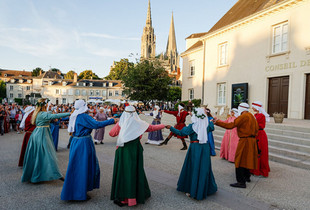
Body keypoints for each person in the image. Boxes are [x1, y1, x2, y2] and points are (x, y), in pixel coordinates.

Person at [109, 105, 165, 207]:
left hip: (123, 150)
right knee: (136, 170)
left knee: (123, 171)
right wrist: (164, 125)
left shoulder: (121, 123)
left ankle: (123, 198)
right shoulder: (140, 123)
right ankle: (136, 195)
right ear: (135, 113)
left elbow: (111, 133)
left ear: (124, 113)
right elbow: (152, 128)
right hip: (135, 149)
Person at [61, 100, 116, 201]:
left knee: (76, 166)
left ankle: (74, 191)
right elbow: (96, 125)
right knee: (83, 166)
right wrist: (112, 120)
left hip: (76, 142)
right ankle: (79, 193)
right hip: (83, 143)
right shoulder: (83, 116)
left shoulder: (75, 115)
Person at [166, 107, 217, 200]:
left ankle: (193, 190)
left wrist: (171, 128)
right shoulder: (207, 125)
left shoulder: (192, 127)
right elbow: (212, 127)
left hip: (195, 148)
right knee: (204, 168)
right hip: (205, 148)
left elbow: (181, 133)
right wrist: (210, 119)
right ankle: (206, 189)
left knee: (194, 167)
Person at [21, 98, 70, 183]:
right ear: (43, 106)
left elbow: (49, 114)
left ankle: (37, 174)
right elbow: (54, 116)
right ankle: (55, 174)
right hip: (42, 134)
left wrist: (51, 111)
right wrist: (70, 113)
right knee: (48, 154)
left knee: (38, 155)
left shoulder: (36, 113)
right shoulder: (42, 114)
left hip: (37, 133)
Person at [214, 103, 259, 188]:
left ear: (241, 108)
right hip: (251, 141)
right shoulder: (252, 116)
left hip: (245, 140)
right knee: (246, 159)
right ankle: (247, 177)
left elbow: (230, 125)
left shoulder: (243, 116)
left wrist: (217, 122)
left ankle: (241, 182)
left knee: (239, 160)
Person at [250, 101, 270, 177]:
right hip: (256, 134)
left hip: (260, 135)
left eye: (253, 107)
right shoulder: (255, 115)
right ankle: (255, 169)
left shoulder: (261, 116)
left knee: (260, 152)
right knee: (255, 152)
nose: (252, 108)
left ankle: (262, 171)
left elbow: (261, 125)